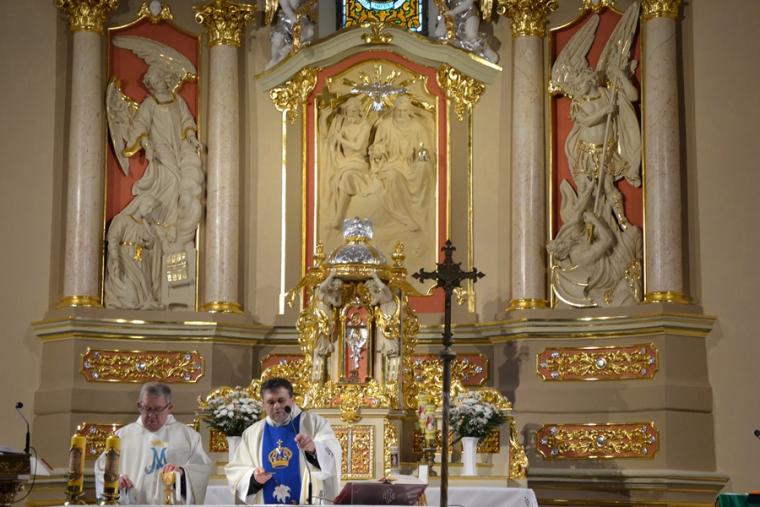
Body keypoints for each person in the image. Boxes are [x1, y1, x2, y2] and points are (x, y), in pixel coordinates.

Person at [225, 378, 342, 505]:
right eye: (271, 402)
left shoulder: (315, 424)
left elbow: (332, 455)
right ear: (263, 404)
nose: (276, 406)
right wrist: (254, 478)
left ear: (292, 400)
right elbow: (237, 471)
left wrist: (314, 448)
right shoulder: (252, 433)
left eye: (281, 400)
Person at [94, 382, 213, 504]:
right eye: (147, 408)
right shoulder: (121, 436)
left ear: (169, 408)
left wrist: (182, 474)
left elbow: (201, 469)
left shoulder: (189, 437)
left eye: (158, 409)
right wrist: (115, 480)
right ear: (139, 406)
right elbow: (102, 469)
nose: (151, 415)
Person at [104, 193, 164, 310]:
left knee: (143, 290)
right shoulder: (122, 219)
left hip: (141, 261)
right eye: (148, 206)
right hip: (125, 258)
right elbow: (113, 238)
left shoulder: (145, 225)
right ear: (139, 204)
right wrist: (115, 258)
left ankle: (143, 304)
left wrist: (148, 241)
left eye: (151, 209)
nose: (149, 211)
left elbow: (152, 245)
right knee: (131, 295)